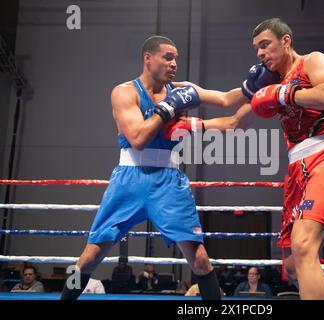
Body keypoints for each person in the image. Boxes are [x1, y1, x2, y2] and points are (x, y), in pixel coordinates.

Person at [165, 18, 324, 300]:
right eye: (256, 48)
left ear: (286, 41)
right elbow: (234, 119)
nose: (260, 53)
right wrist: (193, 122)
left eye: (265, 45)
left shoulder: (312, 61)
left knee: (304, 247)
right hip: (297, 170)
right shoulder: (270, 81)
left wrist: (285, 94)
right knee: (291, 266)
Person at [59, 35, 247, 300]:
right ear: (148, 58)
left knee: (200, 259)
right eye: (167, 57)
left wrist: (260, 86)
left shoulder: (182, 89)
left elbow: (227, 100)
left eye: (176, 59)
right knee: (90, 257)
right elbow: (137, 139)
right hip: (130, 179)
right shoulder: (125, 92)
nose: (173, 64)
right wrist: (167, 108)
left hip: (170, 181)